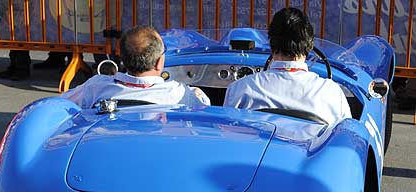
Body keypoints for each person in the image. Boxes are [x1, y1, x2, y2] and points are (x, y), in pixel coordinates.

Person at [223, 7, 351, 124]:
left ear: (271, 44)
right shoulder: (331, 93)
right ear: (310, 47)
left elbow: (229, 136)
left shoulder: (240, 89)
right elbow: (346, 139)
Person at [61, 25, 210, 108]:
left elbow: (60, 105)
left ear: (123, 58)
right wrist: (197, 92)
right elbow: (204, 112)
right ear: (159, 62)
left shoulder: (95, 87)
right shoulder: (179, 93)